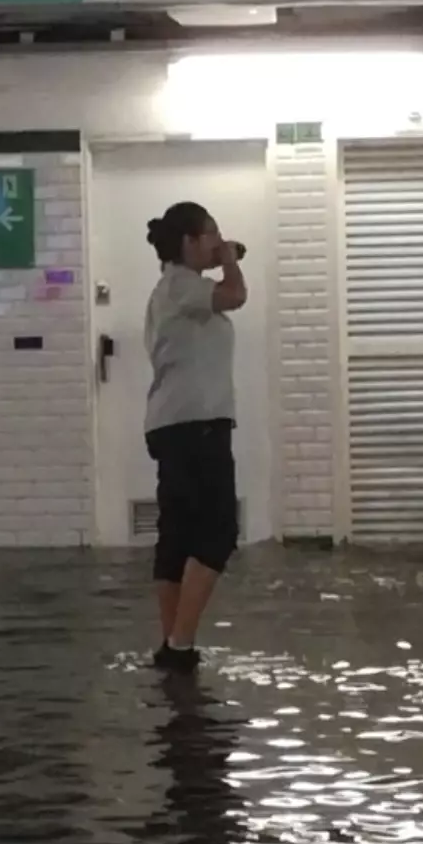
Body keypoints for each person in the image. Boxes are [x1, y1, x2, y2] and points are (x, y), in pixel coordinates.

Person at [143, 202, 247, 674]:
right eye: (210, 234)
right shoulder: (184, 286)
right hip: (195, 426)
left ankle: (173, 644)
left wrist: (223, 254)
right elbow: (237, 294)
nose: (217, 240)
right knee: (219, 530)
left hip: (176, 425)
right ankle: (181, 643)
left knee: (179, 534)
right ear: (188, 242)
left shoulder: (175, 288)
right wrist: (229, 258)